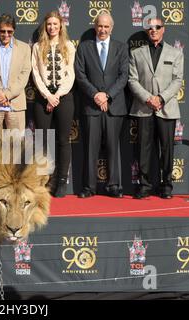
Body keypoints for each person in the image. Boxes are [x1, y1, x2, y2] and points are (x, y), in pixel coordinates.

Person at [129, 17, 184, 199]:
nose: (153, 30)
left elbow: (177, 80)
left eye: (157, 27)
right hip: (143, 108)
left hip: (166, 107)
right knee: (143, 148)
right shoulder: (136, 53)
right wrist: (148, 98)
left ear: (163, 29)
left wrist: (160, 98)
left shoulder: (175, 53)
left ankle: (166, 185)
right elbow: (132, 80)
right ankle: (144, 185)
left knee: (167, 149)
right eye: (150, 27)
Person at [75, 12, 129, 198]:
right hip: (91, 106)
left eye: (106, 27)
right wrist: (95, 95)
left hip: (114, 107)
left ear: (111, 28)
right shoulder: (83, 48)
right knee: (90, 148)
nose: (103, 29)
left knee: (114, 147)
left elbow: (124, 76)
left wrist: (107, 96)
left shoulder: (121, 48)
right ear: (95, 26)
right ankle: (89, 187)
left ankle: (114, 186)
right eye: (100, 26)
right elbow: (80, 75)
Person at [31, 11, 76, 198]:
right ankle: (45, 180)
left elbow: (71, 74)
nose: (52, 27)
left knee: (63, 141)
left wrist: (57, 95)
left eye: (55, 24)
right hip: (43, 98)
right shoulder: (37, 46)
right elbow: (35, 73)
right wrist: (47, 95)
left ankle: (62, 180)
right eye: (49, 24)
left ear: (61, 26)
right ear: (45, 26)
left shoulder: (68, 46)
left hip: (64, 97)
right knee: (43, 141)